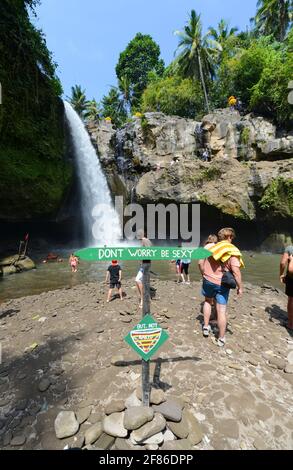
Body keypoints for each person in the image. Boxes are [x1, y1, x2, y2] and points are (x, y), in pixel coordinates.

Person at [198, 228, 243, 347]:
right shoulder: (231, 250)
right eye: (232, 237)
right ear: (229, 237)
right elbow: (236, 271)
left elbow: (200, 262)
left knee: (207, 301)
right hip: (222, 283)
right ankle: (221, 338)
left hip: (208, 280)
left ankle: (206, 327)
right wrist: (240, 287)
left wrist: (204, 273)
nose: (232, 240)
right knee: (221, 310)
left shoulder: (210, 247)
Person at [280, 246, 293, 331]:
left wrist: (281, 274)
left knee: (291, 299)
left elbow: (282, 263)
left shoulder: (290, 248)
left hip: (291, 278)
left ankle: (291, 324)